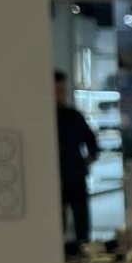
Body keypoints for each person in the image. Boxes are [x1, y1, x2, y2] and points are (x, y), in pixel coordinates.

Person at [54, 69, 99, 248]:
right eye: (57, 90)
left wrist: (91, 156)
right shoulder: (44, 118)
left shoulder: (73, 116)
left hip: (74, 174)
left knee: (81, 217)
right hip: (55, 175)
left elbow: (90, 139)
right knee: (57, 218)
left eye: (62, 90)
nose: (61, 94)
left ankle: (84, 247)